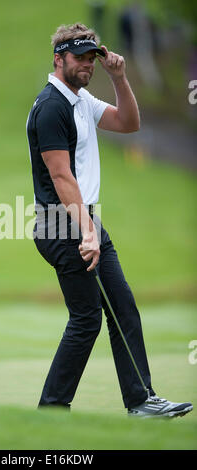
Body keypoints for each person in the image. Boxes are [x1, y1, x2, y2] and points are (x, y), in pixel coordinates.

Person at [26, 23, 193, 418]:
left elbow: (128, 123)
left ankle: (140, 401)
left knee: (123, 308)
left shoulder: (81, 100)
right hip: (61, 223)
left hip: (82, 221)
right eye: (79, 57)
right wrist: (87, 233)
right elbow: (61, 176)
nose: (86, 64)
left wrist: (119, 78)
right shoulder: (52, 106)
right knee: (87, 319)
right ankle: (51, 412)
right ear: (58, 59)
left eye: (91, 58)